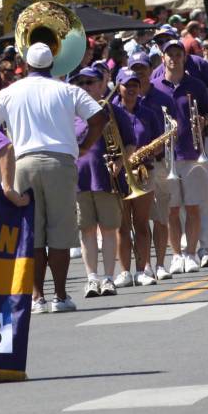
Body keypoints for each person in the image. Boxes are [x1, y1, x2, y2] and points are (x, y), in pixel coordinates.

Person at [0, 42, 106, 313]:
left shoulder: (10, 91)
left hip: (23, 162)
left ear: (26, 65)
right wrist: (84, 146)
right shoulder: (67, 89)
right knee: (60, 233)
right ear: (52, 64)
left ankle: (37, 297)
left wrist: (4, 146)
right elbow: (99, 117)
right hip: (59, 163)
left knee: (33, 234)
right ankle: (60, 296)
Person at [151, 39, 208, 274]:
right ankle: (176, 254)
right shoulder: (154, 86)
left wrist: (202, 121)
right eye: (170, 54)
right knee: (172, 210)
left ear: (183, 57)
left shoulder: (195, 85)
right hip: (167, 157)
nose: (174, 58)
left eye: (178, 54)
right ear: (163, 57)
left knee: (193, 207)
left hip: (192, 152)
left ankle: (191, 253)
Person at [70, 67, 134, 297]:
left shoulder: (112, 110)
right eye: (81, 83)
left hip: (106, 178)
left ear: (100, 84)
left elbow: (129, 143)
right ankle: (92, 278)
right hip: (79, 179)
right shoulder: (70, 112)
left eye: (90, 82)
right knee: (86, 231)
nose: (85, 87)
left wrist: (120, 163)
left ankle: (108, 277)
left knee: (108, 229)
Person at [127, 52, 177, 279]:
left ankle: (160, 264)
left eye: (143, 69)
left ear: (149, 70)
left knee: (160, 217)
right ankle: (142, 266)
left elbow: (170, 131)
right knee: (137, 221)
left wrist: (153, 149)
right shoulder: (119, 103)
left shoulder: (162, 98)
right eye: (134, 69)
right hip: (130, 169)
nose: (139, 73)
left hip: (156, 164)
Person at [111, 67, 161, 287]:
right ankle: (124, 271)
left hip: (143, 172)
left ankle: (143, 268)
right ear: (118, 87)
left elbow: (160, 142)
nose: (131, 89)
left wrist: (149, 151)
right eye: (126, 85)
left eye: (134, 85)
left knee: (140, 223)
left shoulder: (148, 112)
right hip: (119, 174)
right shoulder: (110, 112)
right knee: (121, 225)